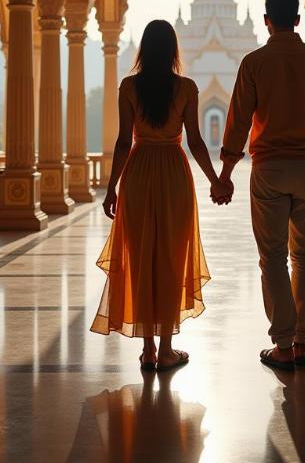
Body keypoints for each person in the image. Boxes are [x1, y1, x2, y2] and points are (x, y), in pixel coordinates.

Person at [215, 0, 305, 371]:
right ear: (299, 20)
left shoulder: (255, 62)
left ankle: (284, 343)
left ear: (266, 21)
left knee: (272, 257)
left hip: (269, 169)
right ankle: (304, 341)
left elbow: (238, 121)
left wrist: (225, 174)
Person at [92, 19, 233, 371]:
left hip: (138, 173)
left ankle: (149, 348)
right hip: (173, 172)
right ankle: (168, 347)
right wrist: (216, 180)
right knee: (170, 257)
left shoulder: (129, 87)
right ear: (172, 50)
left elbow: (125, 142)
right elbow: (197, 142)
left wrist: (111, 187)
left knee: (141, 257)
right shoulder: (185, 87)